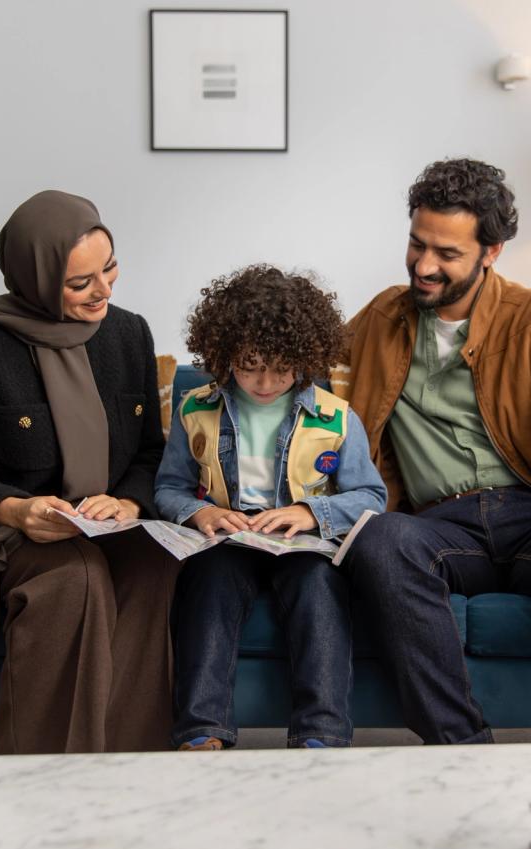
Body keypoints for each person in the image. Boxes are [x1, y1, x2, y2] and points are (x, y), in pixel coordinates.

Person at [338, 158, 531, 744]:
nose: (425, 265)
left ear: (492, 252)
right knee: (378, 539)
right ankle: (464, 750)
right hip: (439, 525)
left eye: (447, 254)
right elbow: (293, 359)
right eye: (416, 244)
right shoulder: (382, 318)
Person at [0, 190, 176, 754]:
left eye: (109, 268)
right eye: (80, 282)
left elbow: (148, 454)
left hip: (99, 526)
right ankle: (48, 784)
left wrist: (130, 505)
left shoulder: (127, 333)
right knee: (74, 574)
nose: (104, 290)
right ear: (34, 279)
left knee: (152, 562)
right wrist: (18, 510)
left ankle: (132, 768)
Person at [155, 265, 387, 750]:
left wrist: (311, 515)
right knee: (207, 585)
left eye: (281, 368)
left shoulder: (336, 417)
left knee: (320, 591)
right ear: (224, 355)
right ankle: (202, 730)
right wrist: (200, 514)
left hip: (301, 546)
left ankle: (320, 733)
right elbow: (169, 488)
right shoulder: (195, 409)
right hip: (227, 542)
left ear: (305, 359)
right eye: (250, 364)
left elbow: (371, 497)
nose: (265, 381)